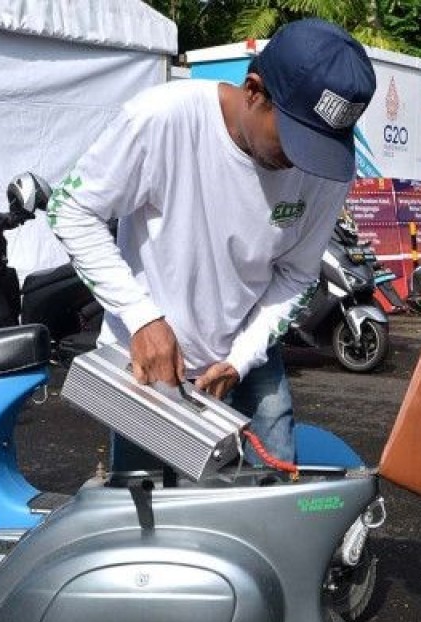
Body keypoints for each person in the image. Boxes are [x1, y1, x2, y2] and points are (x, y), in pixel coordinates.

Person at [47, 18, 376, 468]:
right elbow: (71, 209)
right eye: (295, 140)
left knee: (268, 505)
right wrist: (143, 319)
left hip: (249, 353)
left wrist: (241, 359)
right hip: (145, 364)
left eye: (320, 145)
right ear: (254, 90)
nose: (302, 162)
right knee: (147, 514)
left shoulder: (325, 171)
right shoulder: (163, 119)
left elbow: (297, 273)